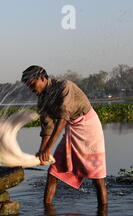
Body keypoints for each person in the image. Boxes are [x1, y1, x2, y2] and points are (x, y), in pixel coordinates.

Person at [21, 65, 108, 208]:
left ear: (42, 78)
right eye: (28, 87)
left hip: (88, 126)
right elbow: (47, 128)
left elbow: (63, 118)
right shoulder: (42, 99)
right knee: (53, 173)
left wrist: (48, 149)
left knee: (97, 178)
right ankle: (47, 212)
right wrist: (42, 151)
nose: (31, 89)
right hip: (71, 128)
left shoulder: (64, 87)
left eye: (32, 85)